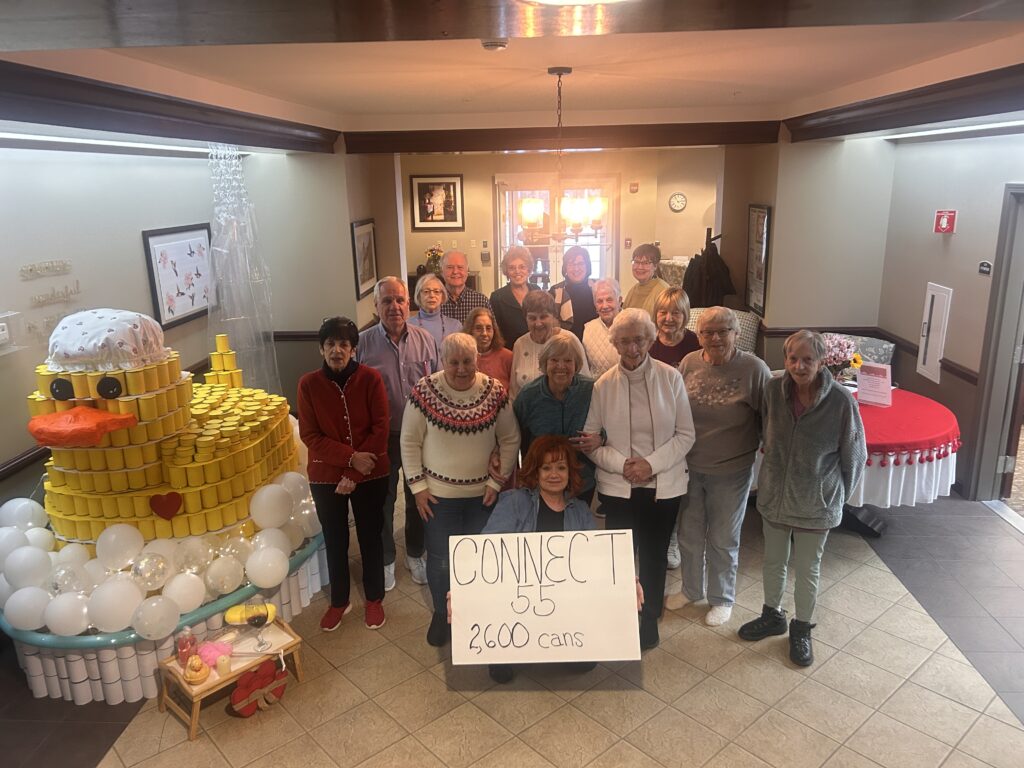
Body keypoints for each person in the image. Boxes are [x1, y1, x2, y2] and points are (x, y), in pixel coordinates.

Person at [737, 330, 866, 666]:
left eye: (808, 359)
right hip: (775, 496)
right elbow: (765, 431)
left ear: (822, 361)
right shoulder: (772, 390)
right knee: (773, 562)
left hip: (816, 503)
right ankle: (772, 615)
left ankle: (802, 628)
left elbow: (855, 456)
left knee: (808, 569)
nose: (799, 366)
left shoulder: (841, 402)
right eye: (793, 358)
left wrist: (836, 497)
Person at [582, 308, 695, 650]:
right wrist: (622, 465)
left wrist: (649, 465)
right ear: (614, 343)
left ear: (650, 340)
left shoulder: (670, 378)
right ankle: (620, 612)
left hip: (664, 485)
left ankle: (648, 618)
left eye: (639, 340)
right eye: (625, 341)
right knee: (619, 555)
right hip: (618, 488)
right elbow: (589, 441)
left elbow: (685, 435)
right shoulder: (603, 385)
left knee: (655, 553)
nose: (633, 348)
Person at [400, 332, 520, 647]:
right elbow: (409, 441)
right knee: (440, 560)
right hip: (438, 498)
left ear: (477, 359)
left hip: (483, 496)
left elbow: (510, 439)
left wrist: (498, 480)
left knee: (479, 561)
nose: (461, 368)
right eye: (454, 362)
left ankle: (477, 614)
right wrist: (418, 487)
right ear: (443, 361)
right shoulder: (424, 391)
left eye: (467, 361)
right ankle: (444, 614)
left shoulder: (495, 392)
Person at [665, 307, 771, 627]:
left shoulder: (755, 369)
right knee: (689, 534)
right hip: (689, 467)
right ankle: (691, 590)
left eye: (722, 331)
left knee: (724, 538)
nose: (715, 338)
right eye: (708, 332)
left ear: (736, 333)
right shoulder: (689, 363)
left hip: (732, 470)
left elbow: (769, 420)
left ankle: (722, 598)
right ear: (698, 335)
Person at [477, 436, 599, 684]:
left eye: (561, 467)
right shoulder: (515, 502)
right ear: (535, 470)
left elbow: (598, 560)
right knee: (502, 672)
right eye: (546, 467)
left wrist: (629, 581)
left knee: (586, 663)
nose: (554, 474)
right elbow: (486, 548)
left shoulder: (581, 512)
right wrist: (463, 590)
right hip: (516, 596)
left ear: (570, 472)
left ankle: (555, 636)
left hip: (564, 597)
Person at [298, 317, 390, 631]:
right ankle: (340, 601)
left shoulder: (371, 378)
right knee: (335, 539)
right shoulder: (308, 384)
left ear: (353, 349)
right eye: (330, 344)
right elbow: (310, 436)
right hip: (327, 475)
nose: (337, 350)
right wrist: (351, 460)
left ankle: (374, 597)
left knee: (370, 535)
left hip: (371, 472)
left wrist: (358, 472)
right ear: (321, 349)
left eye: (344, 344)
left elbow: (381, 427)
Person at [358, 277, 439, 591]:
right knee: (383, 501)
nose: (394, 306)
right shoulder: (362, 344)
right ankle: (387, 558)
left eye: (400, 300)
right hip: (383, 438)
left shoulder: (426, 340)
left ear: (409, 304)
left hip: (421, 437)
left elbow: (437, 388)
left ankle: (416, 553)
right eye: (387, 301)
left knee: (420, 498)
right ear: (376, 306)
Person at [513, 335, 597, 503]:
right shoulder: (528, 396)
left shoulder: (592, 391)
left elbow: (609, 426)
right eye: (554, 360)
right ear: (545, 364)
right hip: (542, 481)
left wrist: (601, 438)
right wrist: (521, 475)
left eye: (568, 360)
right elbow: (514, 438)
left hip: (582, 480)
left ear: (577, 365)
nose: (561, 366)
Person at [510, 290, 590, 398]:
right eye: (532, 318)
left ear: (553, 316)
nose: (538, 323)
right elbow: (514, 391)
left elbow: (585, 385)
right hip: (526, 413)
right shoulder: (520, 344)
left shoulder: (569, 339)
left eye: (543, 317)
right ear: (526, 318)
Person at [489, 246, 540, 349]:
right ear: (506, 272)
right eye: (512, 268)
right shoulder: (497, 297)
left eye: (522, 267)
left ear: (528, 270)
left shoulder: (536, 290)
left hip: (537, 348)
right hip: (510, 353)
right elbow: (496, 332)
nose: (517, 271)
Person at [550, 245, 598, 340]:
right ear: (565, 268)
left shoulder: (598, 288)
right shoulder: (555, 291)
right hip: (565, 346)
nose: (576, 269)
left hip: (595, 344)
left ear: (587, 266)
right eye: (571, 264)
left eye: (580, 264)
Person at [650, 287, 701, 368]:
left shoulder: (697, 343)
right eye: (663, 312)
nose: (668, 319)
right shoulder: (647, 343)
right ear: (656, 314)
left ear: (685, 316)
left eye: (675, 313)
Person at [582, 277, 622, 377]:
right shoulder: (588, 329)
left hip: (627, 390)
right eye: (599, 301)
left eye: (609, 300)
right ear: (595, 305)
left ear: (619, 300)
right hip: (598, 390)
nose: (604, 306)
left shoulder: (632, 325)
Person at [465, 307, 512, 389]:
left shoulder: (507, 357)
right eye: (478, 328)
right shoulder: (462, 356)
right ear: (470, 330)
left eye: (488, 328)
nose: (484, 333)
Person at [439, 250, 490, 324]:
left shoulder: (481, 301)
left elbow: (492, 332)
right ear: (441, 272)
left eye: (460, 267)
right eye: (450, 267)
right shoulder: (435, 301)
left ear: (467, 271)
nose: (455, 272)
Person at [623, 243, 670, 320]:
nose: (640, 267)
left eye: (645, 263)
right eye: (636, 262)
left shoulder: (664, 291)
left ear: (655, 266)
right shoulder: (633, 290)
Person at [409, 273, 458, 346]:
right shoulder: (407, 325)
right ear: (419, 296)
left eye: (436, 291)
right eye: (426, 291)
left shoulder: (455, 326)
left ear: (443, 296)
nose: (432, 295)